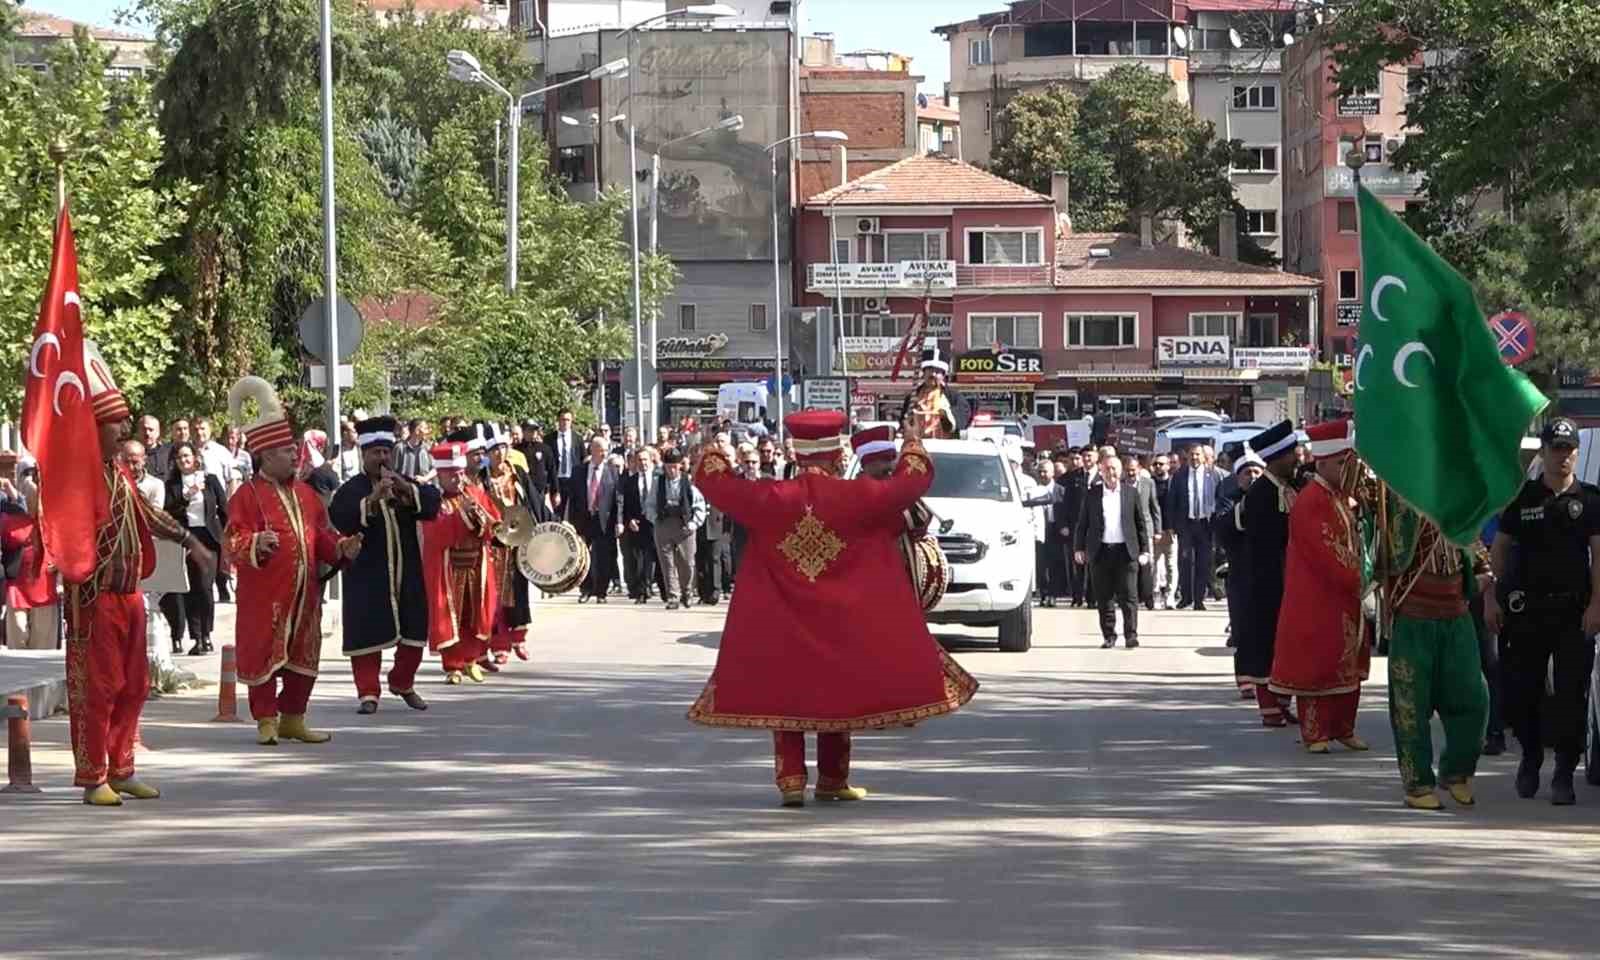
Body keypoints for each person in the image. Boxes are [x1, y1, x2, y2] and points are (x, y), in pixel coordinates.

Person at [687, 410, 977, 806]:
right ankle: (832, 779)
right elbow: (912, 481)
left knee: (786, 694)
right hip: (840, 620)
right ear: (838, 455)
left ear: (796, 453)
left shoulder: (770, 498)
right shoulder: (857, 497)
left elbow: (713, 482)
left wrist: (715, 448)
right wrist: (912, 441)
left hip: (784, 620)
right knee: (836, 692)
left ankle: (791, 781)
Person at [68, 342, 215, 806]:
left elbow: (149, 518)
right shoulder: (79, 476)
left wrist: (191, 541)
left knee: (135, 684)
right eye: (114, 424)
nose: (122, 431)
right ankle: (94, 777)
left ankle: (122, 766)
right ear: (93, 428)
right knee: (100, 686)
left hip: (130, 594)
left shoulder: (121, 476)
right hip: (95, 599)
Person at [222, 377, 361, 746]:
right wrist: (255, 542)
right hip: (265, 596)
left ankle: (293, 718)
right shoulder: (247, 496)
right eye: (287, 452)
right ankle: (266, 719)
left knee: (304, 655)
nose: (294, 456)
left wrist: (342, 547)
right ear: (267, 456)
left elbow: (323, 535)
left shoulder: (307, 494)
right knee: (264, 654)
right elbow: (232, 541)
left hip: (306, 595)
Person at [1485, 417, 1600, 805]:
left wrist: (1597, 605)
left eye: (1569, 450)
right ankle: (1531, 757)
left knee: (1571, 695)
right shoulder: (1524, 497)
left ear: (1576, 454)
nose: (1562, 456)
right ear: (1544, 452)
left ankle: (1565, 772)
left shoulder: (1589, 500)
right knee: (1522, 692)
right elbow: (1499, 550)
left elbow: (1599, 557)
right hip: (1526, 612)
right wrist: (1492, 596)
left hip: (1573, 612)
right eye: (1556, 449)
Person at [1374, 490, 1492, 809]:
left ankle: (1457, 772)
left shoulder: (1459, 507)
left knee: (1474, 698)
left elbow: (1481, 562)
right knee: (1411, 706)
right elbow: (1376, 554)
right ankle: (1417, 784)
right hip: (1414, 620)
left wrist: (1483, 579)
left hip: (1457, 618)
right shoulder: (1397, 497)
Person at [1268, 421, 1370, 754]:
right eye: (1342, 463)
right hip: (1318, 597)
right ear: (1322, 462)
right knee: (1317, 666)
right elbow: (1326, 550)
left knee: (1346, 663)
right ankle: (1316, 731)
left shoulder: (1341, 497)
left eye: (1349, 462)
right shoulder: (1312, 500)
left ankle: (1344, 727)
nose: (1347, 469)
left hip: (1343, 597)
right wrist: (1358, 575)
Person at [329, 416, 442, 714]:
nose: (382, 458)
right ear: (364, 455)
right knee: (368, 632)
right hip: (368, 575)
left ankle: (402, 682)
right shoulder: (351, 489)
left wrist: (407, 491)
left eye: (386, 452)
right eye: (375, 453)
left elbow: (433, 504)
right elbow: (341, 517)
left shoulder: (404, 482)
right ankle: (368, 693)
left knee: (415, 630)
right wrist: (372, 500)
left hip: (407, 573)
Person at [1231, 421, 1301, 727]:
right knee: (1265, 642)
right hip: (1266, 581)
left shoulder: (1285, 488)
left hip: (1287, 579)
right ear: (1278, 457)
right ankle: (1270, 708)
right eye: (1293, 455)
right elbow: (1268, 542)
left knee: (1284, 645)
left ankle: (1282, 702)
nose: (1298, 459)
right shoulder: (1262, 493)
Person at [420, 441, 500, 685]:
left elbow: (494, 524)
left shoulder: (475, 493)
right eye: (452, 475)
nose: (458, 479)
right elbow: (436, 536)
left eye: (460, 473)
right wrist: (462, 516)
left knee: (475, 614)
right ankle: (453, 665)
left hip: (476, 565)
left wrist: (482, 521)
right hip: (449, 567)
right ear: (440, 476)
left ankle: (472, 660)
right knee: (450, 616)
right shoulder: (432, 500)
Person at [1075, 455, 1152, 649]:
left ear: (1121, 471)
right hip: (1100, 552)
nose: (1111, 473)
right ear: (1101, 471)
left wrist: (1145, 550)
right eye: (1108, 469)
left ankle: (1131, 635)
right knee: (1104, 597)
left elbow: (1140, 523)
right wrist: (1079, 548)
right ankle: (1109, 635)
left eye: (1115, 469)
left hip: (1126, 552)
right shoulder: (1092, 494)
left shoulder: (1130, 493)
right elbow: (1082, 523)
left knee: (1129, 596)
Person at [161, 441, 227, 656]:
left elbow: (224, 509)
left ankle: (207, 634)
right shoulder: (171, 485)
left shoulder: (210, 480)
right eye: (179, 457)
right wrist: (186, 496)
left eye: (187, 456)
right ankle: (196, 637)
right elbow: (168, 511)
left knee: (206, 588)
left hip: (208, 538)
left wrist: (229, 538)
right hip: (187, 539)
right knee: (190, 589)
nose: (184, 460)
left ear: (195, 457)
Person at [481, 425, 540, 661]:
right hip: (494, 540)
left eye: (503, 447)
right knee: (496, 594)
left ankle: (519, 638)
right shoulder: (483, 478)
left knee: (518, 591)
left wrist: (549, 524)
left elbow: (533, 501)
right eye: (495, 449)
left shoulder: (516, 473)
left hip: (517, 538)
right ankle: (500, 645)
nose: (500, 453)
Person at [1215, 449, 1264, 693]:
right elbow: (1223, 528)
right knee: (1243, 628)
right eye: (1247, 473)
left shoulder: (1271, 497)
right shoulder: (1229, 497)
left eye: (1257, 472)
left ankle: (1268, 679)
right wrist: (1244, 507)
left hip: (1269, 572)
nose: (1253, 477)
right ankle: (1245, 679)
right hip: (1241, 574)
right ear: (1238, 476)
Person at [647, 448, 705, 610]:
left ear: (680, 465)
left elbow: (699, 506)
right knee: (667, 563)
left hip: (684, 525)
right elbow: (650, 504)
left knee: (687, 562)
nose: (671, 469)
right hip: (664, 524)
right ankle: (673, 596)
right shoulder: (658, 483)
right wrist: (655, 519)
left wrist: (694, 523)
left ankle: (687, 592)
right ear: (664, 466)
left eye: (674, 466)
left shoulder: (689, 483)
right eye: (668, 466)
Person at [1170, 444, 1225, 611]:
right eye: (1191, 455)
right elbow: (1172, 501)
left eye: (1197, 455)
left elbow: (1220, 497)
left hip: (1205, 524)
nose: (1194, 458)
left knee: (1203, 563)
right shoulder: (1180, 475)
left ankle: (1199, 600)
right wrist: (1172, 525)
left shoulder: (1213, 474)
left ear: (1203, 456)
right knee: (1185, 561)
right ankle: (1186, 597)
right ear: (1187, 456)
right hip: (1186, 524)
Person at [575, 436, 621, 603]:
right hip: (584, 519)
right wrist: (571, 521)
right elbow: (573, 499)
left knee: (604, 558)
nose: (604, 454)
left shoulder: (613, 473)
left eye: (606, 450)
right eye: (601, 450)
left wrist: (619, 521)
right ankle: (585, 590)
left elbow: (618, 500)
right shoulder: (579, 471)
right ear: (592, 450)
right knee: (583, 556)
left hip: (605, 521)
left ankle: (601, 592)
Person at [897, 346, 971, 439]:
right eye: (930, 370)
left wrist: (946, 415)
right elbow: (904, 422)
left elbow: (963, 415)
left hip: (944, 446)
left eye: (937, 371)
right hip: (918, 445)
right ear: (923, 373)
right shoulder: (912, 397)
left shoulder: (954, 397)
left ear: (943, 375)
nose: (933, 374)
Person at [618, 447, 660, 603]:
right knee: (640, 558)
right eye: (639, 460)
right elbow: (625, 504)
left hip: (656, 523)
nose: (643, 463)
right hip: (638, 524)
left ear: (651, 461)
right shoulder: (630, 481)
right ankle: (642, 590)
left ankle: (659, 587)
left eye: (645, 460)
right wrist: (629, 520)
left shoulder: (659, 478)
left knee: (655, 557)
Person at [1123, 455, 1162, 610]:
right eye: (1127, 470)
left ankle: (1149, 596)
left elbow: (1154, 506)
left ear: (1139, 469)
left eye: (1133, 470)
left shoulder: (1148, 483)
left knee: (1148, 563)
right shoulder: (1121, 484)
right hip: (1127, 529)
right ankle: (1133, 595)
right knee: (1130, 564)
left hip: (1146, 528)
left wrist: (1158, 530)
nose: (1130, 473)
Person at [1150, 453, 1177, 610]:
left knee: (1171, 565)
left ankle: (1170, 594)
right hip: (1155, 530)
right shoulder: (1150, 483)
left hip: (1171, 530)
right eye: (1156, 464)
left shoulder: (1174, 483)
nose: (1158, 467)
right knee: (1154, 565)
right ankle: (1156, 595)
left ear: (1168, 465)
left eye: (1161, 464)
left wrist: (1175, 527)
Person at [545, 409, 583, 522]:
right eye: (563, 419)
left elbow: (583, 458)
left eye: (568, 420)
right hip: (557, 480)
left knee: (573, 512)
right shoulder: (549, 439)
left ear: (571, 421)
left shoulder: (578, 438)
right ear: (558, 420)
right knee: (557, 512)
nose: (565, 422)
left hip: (573, 479)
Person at [140, 415, 173, 480]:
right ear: (138, 431)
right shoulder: (132, 454)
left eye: (151, 430)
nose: (147, 433)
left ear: (158, 432)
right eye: (144, 429)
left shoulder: (170, 451)